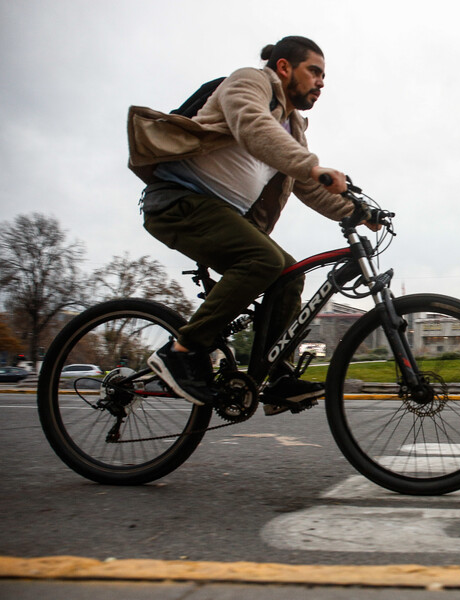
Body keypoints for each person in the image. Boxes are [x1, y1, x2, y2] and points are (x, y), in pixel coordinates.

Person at [127, 36, 369, 413]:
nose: (321, 82)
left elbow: (310, 187)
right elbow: (253, 127)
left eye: (324, 76)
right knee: (264, 260)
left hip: (221, 216)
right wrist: (313, 165)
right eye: (314, 71)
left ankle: (273, 377)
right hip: (178, 200)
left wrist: (359, 211)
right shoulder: (248, 82)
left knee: (289, 274)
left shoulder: (292, 128)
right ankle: (181, 350)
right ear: (284, 67)